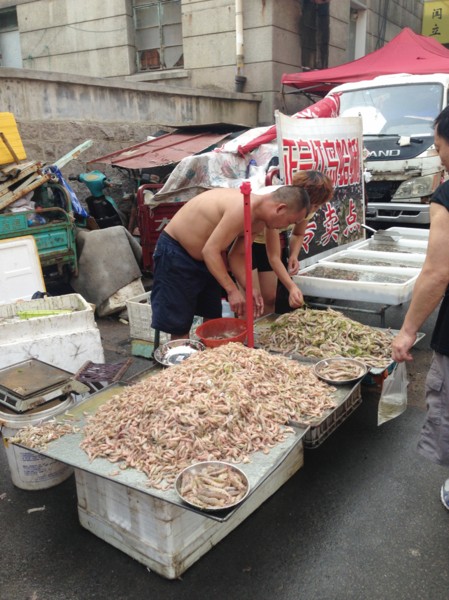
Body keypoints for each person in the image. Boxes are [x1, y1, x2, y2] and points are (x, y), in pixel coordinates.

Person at [150, 185, 310, 339]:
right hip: (177, 252)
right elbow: (210, 250)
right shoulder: (242, 207)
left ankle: (210, 354)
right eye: (290, 221)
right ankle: (180, 354)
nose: (285, 226)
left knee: (212, 318)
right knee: (179, 325)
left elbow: (237, 255)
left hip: (209, 261)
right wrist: (232, 290)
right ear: (280, 208)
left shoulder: (260, 219)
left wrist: (249, 288)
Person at [391, 105, 449, 511]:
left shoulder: (446, 195)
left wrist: (408, 329)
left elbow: (438, 271)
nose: (438, 154)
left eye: (439, 145)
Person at [252, 170, 334, 314]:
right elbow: (274, 257)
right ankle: (248, 328)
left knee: (270, 297)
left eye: (317, 206)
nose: (313, 210)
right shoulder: (279, 205)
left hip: (268, 244)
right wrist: (292, 287)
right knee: (252, 299)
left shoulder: (307, 207)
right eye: (313, 205)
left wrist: (294, 255)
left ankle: (264, 326)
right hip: (249, 241)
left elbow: (298, 233)